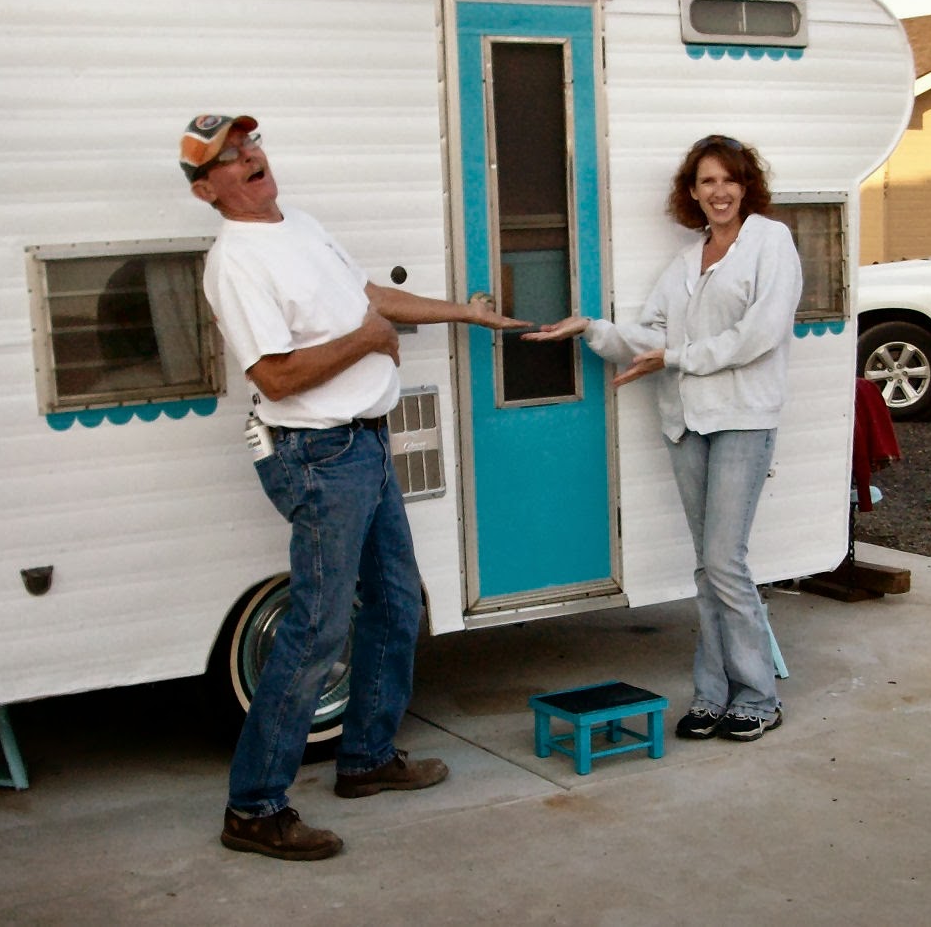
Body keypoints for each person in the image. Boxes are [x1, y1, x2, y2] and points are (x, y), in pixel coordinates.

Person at [181, 113, 527, 861]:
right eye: (231, 158)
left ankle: (366, 757)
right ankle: (254, 805)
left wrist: (462, 313)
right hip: (317, 455)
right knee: (316, 627)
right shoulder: (235, 261)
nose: (251, 158)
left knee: (397, 603)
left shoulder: (297, 224)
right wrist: (368, 342)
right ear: (208, 188)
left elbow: (363, 296)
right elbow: (274, 374)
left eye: (251, 145)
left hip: (363, 442)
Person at [523, 134, 802, 744]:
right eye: (706, 181)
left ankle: (758, 694)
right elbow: (650, 337)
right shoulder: (686, 261)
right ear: (692, 193)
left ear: (747, 185)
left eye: (729, 179)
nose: (719, 191)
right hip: (686, 423)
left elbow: (762, 332)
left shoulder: (769, 242)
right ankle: (713, 693)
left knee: (726, 562)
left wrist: (678, 355)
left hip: (742, 418)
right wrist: (591, 327)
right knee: (708, 567)